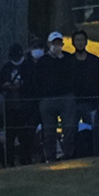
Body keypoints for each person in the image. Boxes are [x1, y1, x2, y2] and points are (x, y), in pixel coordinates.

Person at [36, 31, 76, 161]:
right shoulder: (42, 61)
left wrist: (62, 60)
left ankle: (67, 154)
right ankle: (50, 156)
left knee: (69, 128)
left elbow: (72, 76)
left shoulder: (68, 59)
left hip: (66, 98)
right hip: (47, 99)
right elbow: (38, 80)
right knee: (48, 131)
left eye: (59, 43)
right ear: (48, 44)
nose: (57, 46)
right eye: (54, 43)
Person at [0, 43, 35, 167]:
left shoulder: (29, 67)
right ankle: (10, 162)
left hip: (25, 107)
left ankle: (26, 160)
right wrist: (5, 86)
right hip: (10, 107)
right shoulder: (6, 68)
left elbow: (32, 84)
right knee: (9, 138)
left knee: (25, 137)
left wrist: (20, 88)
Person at [70, 30, 99, 127]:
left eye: (82, 40)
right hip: (73, 102)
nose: (79, 43)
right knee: (71, 130)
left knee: (91, 129)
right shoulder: (68, 60)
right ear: (73, 42)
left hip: (90, 102)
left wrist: (97, 100)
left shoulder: (94, 60)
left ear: (86, 42)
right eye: (77, 40)